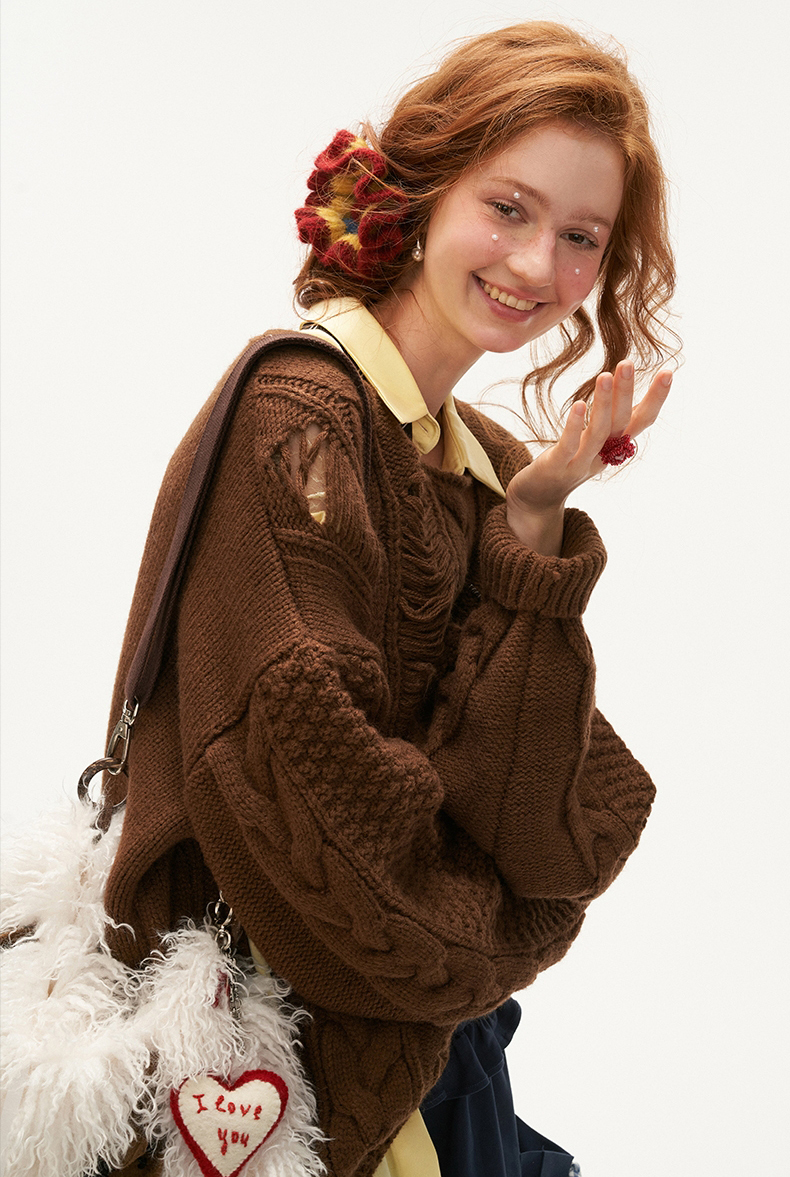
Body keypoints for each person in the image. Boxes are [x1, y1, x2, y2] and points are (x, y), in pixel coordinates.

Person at [102, 20, 677, 1177]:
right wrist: (507, 934)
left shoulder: (484, 470)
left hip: (434, 1058)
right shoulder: (301, 425)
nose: (537, 265)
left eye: (579, 236)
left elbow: (558, 829)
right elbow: (319, 819)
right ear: (420, 193)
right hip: (278, 1079)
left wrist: (532, 530)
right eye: (507, 208)